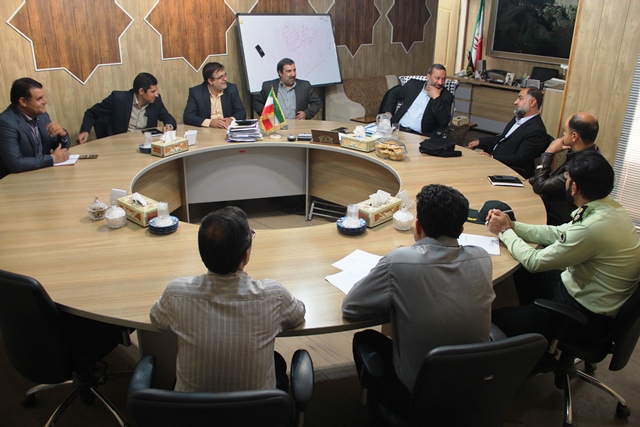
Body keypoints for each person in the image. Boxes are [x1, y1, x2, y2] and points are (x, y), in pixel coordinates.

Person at [342, 184, 494, 404]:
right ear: (461, 230)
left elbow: (351, 307)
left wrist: (393, 261)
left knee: (364, 339)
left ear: (418, 225)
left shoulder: (398, 262)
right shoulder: (483, 258)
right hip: (475, 389)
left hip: (418, 395)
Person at [487, 151, 640, 345]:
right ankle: (534, 327)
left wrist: (504, 231)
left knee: (494, 320)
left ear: (574, 187)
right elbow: (557, 232)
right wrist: (513, 225)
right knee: (519, 267)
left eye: (567, 178)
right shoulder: (610, 208)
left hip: (584, 316)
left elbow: (534, 262)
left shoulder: (591, 228)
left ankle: (534, 336)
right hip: (586, 293)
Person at [150, 206, 306, 393]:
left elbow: (157, 319)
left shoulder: (176, 293)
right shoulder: (273, 294)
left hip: (191, 409)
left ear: (202, 253)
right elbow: (298, 314)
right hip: (257, 409)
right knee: (277, 362)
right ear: (245, 255)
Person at [529, 112, 601, 225]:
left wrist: (549, 152)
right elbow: (554, 179)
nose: (562, 134)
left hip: (555, 218)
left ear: (574, 136)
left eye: (565, 131)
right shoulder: (591, 152)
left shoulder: (580, 166)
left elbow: (540, 186)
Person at [467, 87, 549, 179]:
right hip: (493, 160)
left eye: (520, 98)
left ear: (532, 102)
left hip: (507, 170)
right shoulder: (518, 119)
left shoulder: (536, 130)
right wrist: (480, 142)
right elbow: (502, 138)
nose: (515, 102)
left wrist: (492, 157)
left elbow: (520, 159)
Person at [0, 77, 70, 179]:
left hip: (43, 173)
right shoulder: (6, 123)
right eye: (39, 99)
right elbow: (15, 163)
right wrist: (52, 158)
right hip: (16, 180)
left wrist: (63, 135)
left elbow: (59, 149)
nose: (44, 102)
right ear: (23, 101)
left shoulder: (43, 116)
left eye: (43, 97)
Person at [77, 72, 177, 144]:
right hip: (120, 145)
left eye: (156, 91)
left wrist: (169, 125)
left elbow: (166, 116)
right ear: (141, 91)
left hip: (145, 144)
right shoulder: (118, 99)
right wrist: (85, 131)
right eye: (153, 91)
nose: (156, 94)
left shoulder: (156, 101)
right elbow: (91, 113)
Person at [381, 64, 454, 137]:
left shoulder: (446, 96)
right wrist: (388, 112)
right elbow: (394, 93)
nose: (440, 82)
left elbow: (444, 122)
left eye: (443, 79)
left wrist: (436, 98)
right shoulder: (413, 85)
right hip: (398, 129)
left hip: (420, 135)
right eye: (437, 78)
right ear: (428, 76)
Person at [252, 58, 322, 120]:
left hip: (298, 126)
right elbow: (256, 102)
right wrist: (266, 115)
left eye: (294, 70)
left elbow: (317, 102)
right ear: (280, 73)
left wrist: (306, 113)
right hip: (276, 127)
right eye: (289, 71)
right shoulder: (268, 86)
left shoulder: (304, 86)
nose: (293, 74)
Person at [183, 62, 247, 129]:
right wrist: (210, 122)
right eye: (221, 77)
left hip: (227, 130)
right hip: (207, 131)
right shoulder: (196, 93)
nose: (225, 79)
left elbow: (241, 112)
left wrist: (231, 119)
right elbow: (188, 117)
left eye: (225, 75)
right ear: (210, 81)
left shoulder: (231, 89)